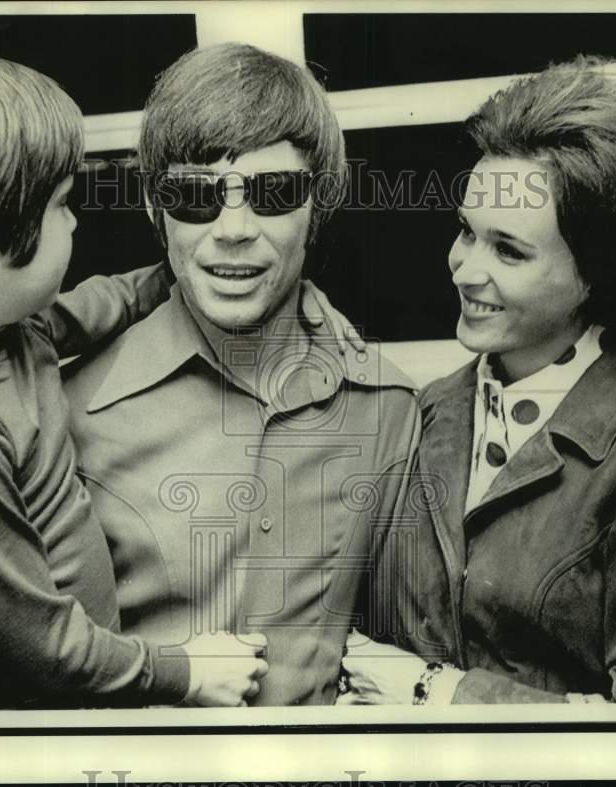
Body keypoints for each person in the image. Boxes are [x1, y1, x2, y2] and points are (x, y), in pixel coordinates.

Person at [0, 40, 272, 710]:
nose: (75, 219)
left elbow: (101, 305)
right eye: (62, 204)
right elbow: (43, 645)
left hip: (69, 692)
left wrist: (187, 265)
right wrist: (186, 671)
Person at [62, 42, 421, 706]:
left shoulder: (387, 406)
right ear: (152, 207)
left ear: (320, 203)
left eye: (274, 193)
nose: (233, 229)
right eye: (195, 196)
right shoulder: (74, 408)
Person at [341, 57, 616, 704]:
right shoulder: (428, 411)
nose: (463, 269)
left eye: (509, 250)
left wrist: (434, 691)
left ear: (598, 273)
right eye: (466, 232)